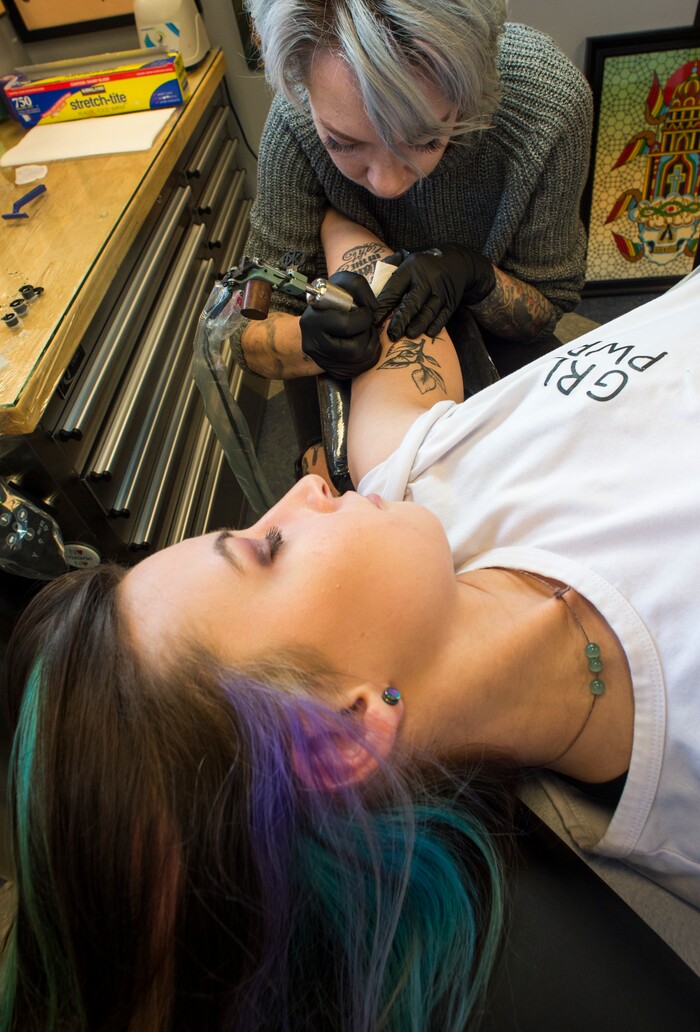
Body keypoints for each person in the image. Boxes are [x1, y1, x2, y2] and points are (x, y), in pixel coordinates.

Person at [2, 212, 699, 1031]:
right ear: (345, 733)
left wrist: (368, 287)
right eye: (266, 549)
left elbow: (354, 243)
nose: (305, 490)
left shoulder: (403, 474)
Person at [232, 0, 593, 474]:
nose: (387, 184)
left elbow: (546, 306)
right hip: (342, 375)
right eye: (343, 142)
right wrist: (306, 340)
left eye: (424, 140)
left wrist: (477, 276)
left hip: (498, 351)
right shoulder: (295, 124)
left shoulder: (546, 108)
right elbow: (244, 330)